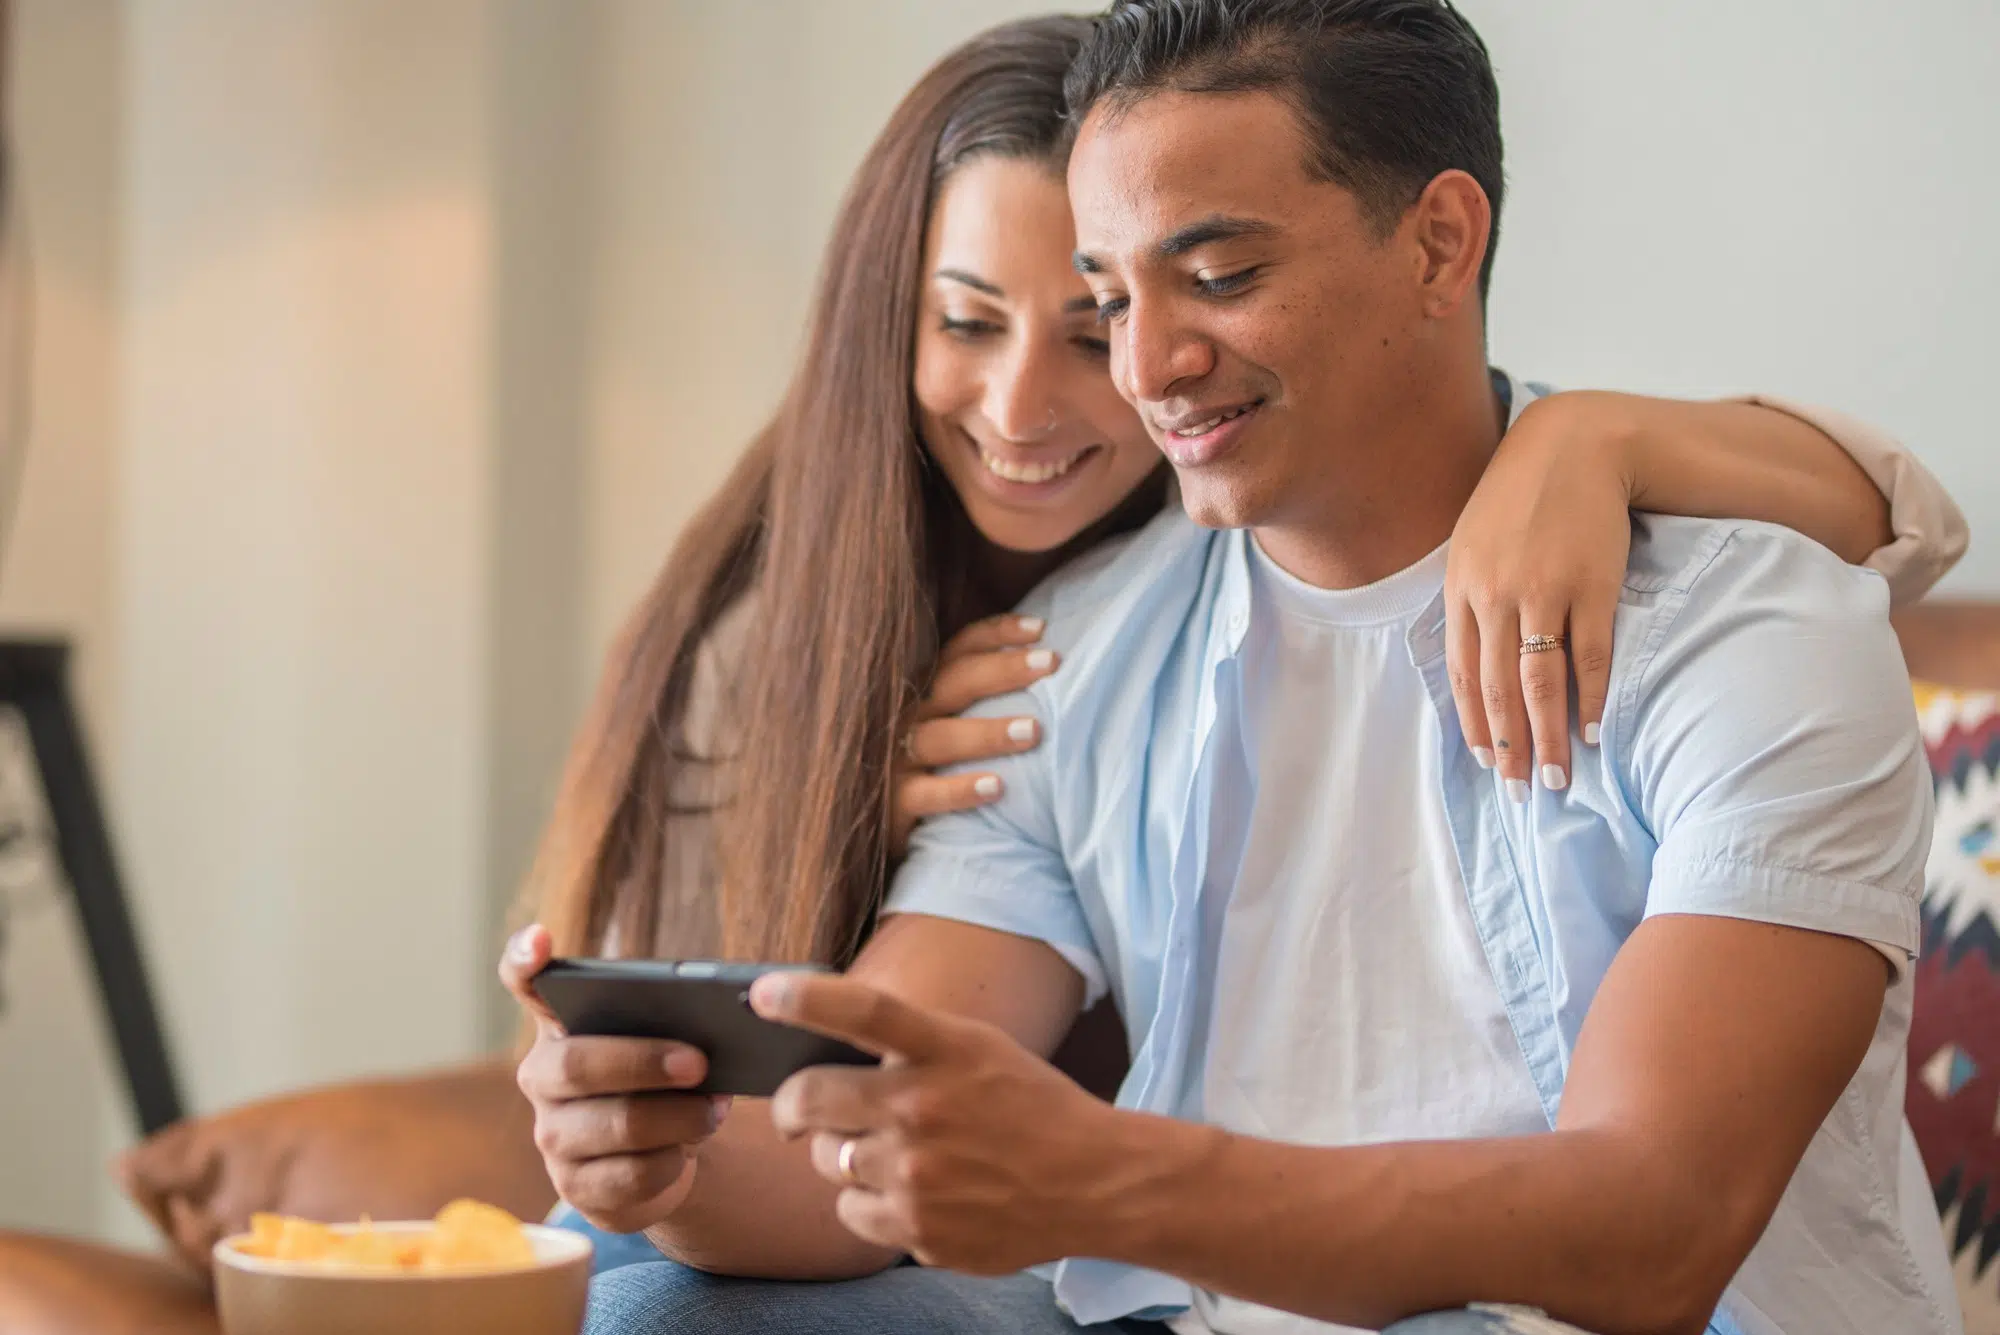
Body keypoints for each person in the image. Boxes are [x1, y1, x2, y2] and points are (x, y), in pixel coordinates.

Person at [503, 7, 1966, 1334]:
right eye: (1113, 296)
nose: (1144, 366)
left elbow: (1653, 1229)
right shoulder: (1073, 646)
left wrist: (1099, 1178)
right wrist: (655, 1152)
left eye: (1216, 275)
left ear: (1442, 245)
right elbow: (852, 1144)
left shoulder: (1748, 630)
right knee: (655, 1307)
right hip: (1190, 1309)